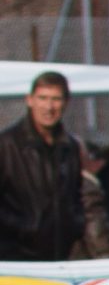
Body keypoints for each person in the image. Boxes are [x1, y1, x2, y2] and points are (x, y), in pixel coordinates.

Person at [0, 71, 84, 262]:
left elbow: (76, 195)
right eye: (43, 98)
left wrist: (75, 225)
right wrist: (25, 227)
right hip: (17, 258)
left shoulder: (69, 146)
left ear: (65, 103)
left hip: (59, 257)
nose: (49, 107)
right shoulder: (7, 145)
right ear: (30, 100)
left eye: (55, 99)